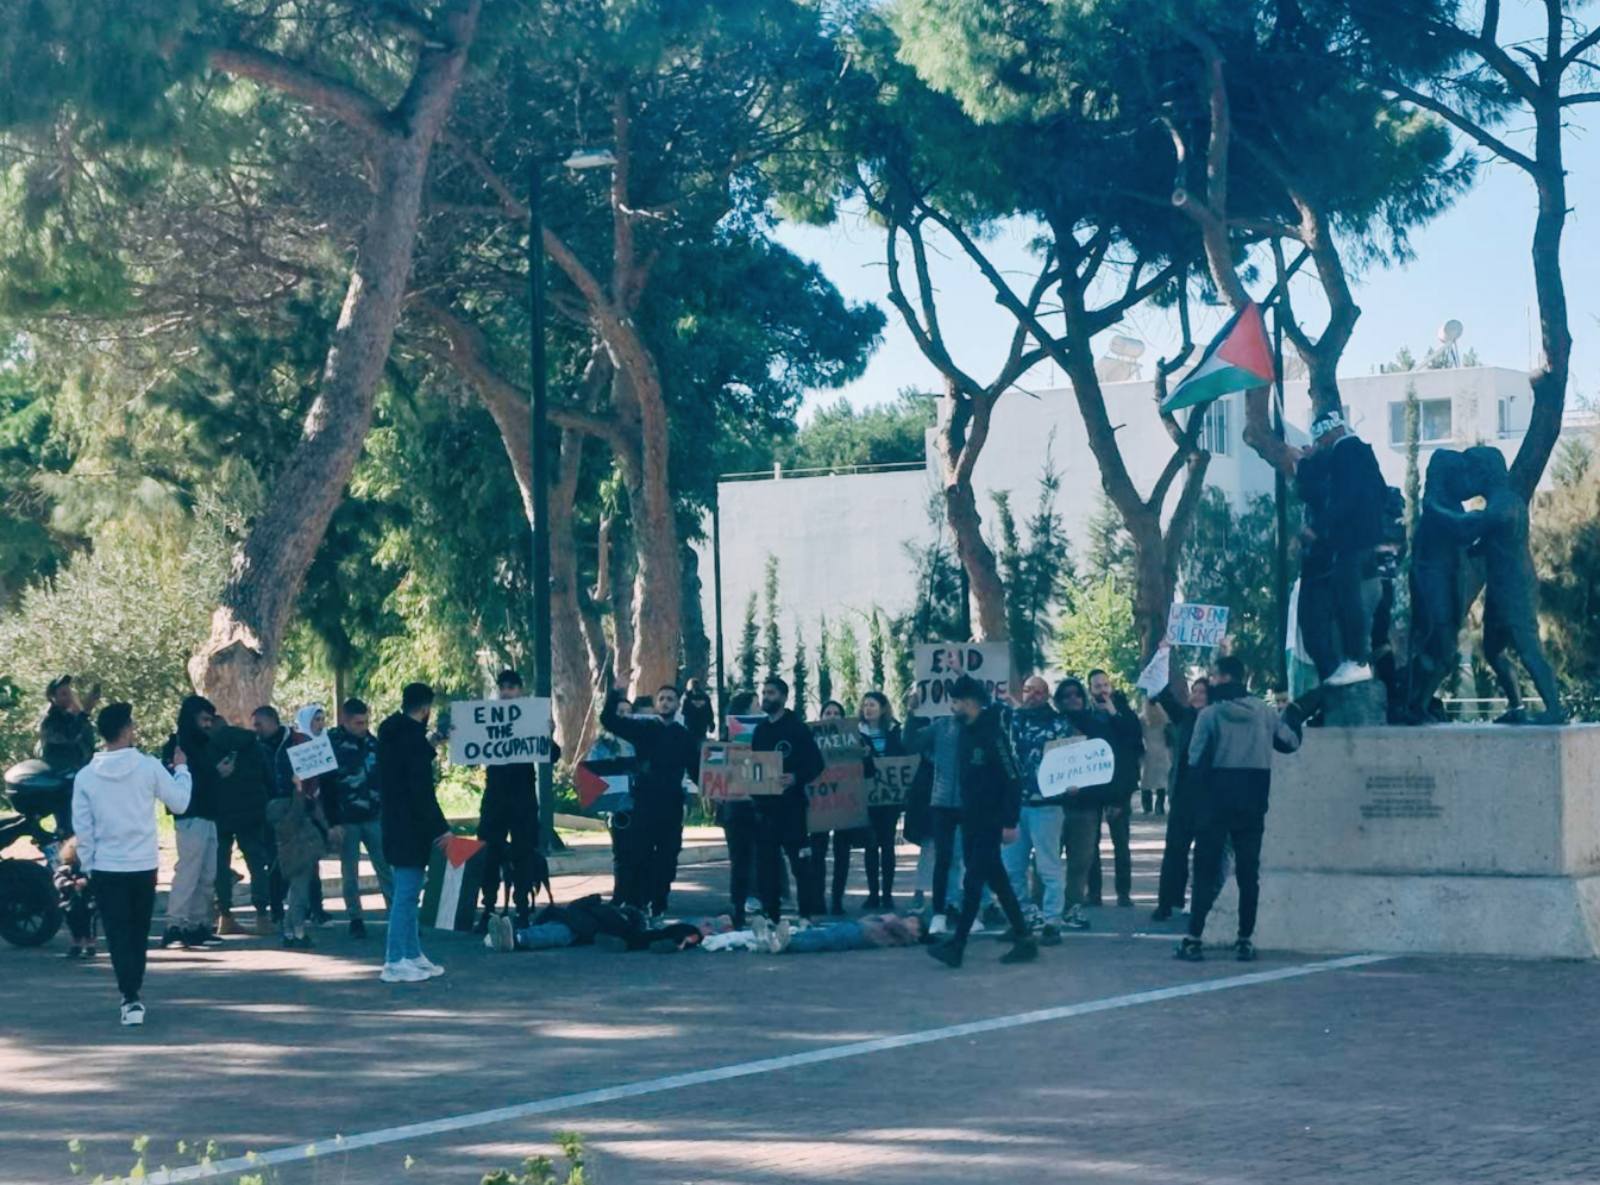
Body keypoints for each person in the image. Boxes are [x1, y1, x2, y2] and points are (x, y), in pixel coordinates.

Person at [71, 702, 193, 1026]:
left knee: (117, 933)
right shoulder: (148, 767)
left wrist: (87, 866)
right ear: (126, 729)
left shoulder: (86, 777)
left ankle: (129, 993)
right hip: (142, 863)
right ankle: (133, 990)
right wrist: (182, 770)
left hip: (106, 865)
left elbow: (83, 828)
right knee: (139, 931)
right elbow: (180, 802)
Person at [1177, 655, 1304, 963]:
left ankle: (1194, 938)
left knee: (1205, 870)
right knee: (1248, 873)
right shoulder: (1264, 712)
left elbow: (1194, 759)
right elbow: (1289, 743)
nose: (1210, 680)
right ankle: (1245, 939)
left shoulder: (1209, 715)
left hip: (1215, 802)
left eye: (1213, 676)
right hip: (1252, 801)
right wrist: (1295, 715)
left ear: (1222, 678)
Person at [927, 677, 1036, 969]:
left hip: (991, 820)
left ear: (970, 703)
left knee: (973, 880)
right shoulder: (966, 732)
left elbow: (1013, 779)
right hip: (971, 819)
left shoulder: (993, 734)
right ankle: (1024, 936)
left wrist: (1010, 821)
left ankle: (958, 945)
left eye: (957, 702)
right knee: (997, 879)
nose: (953, 707)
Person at [1295, 409, 1390, 687]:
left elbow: (1345, 498)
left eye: (1322, 440)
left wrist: (1319, 527)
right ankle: (1357, 658)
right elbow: (1379, 491)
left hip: (1350, 539)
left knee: (1348, 597)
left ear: (1330, 433)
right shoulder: (1362, 452)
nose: (1321, 445)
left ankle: (1356, 659)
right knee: (1353, 596)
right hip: (1368, 537)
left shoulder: (1344, 453)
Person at [600, 683, 700, 918]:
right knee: (639, 855)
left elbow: (697, 770)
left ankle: (659, 903)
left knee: (668, 857)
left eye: (670, 699)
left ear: (677, 705)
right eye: (661, 698)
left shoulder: (685, 737)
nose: (665, 702)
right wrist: (616, 692)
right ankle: (639, 904)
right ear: (656, 704)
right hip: (644, 802)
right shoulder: (643, 728)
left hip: (672, 804)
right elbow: (609, 721)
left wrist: (717, 790)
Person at [377, 682, 452, 983]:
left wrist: (430, 743)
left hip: (394, 823)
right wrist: (441, 828)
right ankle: (394, 960)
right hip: (412, 827)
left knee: (408, 895)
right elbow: (421, 791)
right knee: (406, 896)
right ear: (425, 708)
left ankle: (412, 953)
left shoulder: (391, 733)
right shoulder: (411, 739)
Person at [998, 675, 1073, 945]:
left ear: (1046, 695)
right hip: (1014, 806)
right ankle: (1020, 920)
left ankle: (1052, 922)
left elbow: (1071, 762)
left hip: (1047, 807)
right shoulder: (1012, 720)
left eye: (1037, 691)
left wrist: (1073, 783)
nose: (1031, 695)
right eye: (1027, 690)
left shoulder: (1060, 725)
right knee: (1012, 868)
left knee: (1048, 868)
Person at [751, 676, 825, 922]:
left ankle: (805, 914)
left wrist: (795, 777)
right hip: (765, 809)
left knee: (800, 862)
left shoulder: (797, 728)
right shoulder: (760, 731)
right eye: (764, 692)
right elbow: (754, 766)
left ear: (783, 697)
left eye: (771, 693)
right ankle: (771, 915)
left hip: (792, 808)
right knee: (767, 865)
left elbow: (816, 764)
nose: (766, 697)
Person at [159, 695, 227, 949]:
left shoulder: (205, 745)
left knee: (207, 874)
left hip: (209, 814)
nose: (208, 725)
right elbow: (180, 780)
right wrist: (215, 773)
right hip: (189, 815)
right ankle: (175, 926)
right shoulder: (178, 746)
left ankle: (198, 925)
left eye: (210, 720)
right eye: (204, 720)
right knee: (189, 872)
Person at [476, 670, 541, 932]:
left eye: (511, 687)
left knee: (524, 855)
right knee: (489, 855)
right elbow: (470, 750)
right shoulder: (486, 719)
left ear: (520, 690)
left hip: (523, 800)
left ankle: (522, 909)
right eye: (502, 687)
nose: (506, 692)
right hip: (495, 799)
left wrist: (547, 734)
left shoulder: (533, 718)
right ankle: (489, 910)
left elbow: (552, 754)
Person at [270, 704, 338, 948]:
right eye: (316, 719)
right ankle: (296, 930)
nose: (320, 724)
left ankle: (291, 929)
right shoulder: (297, 745)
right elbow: (297, 787)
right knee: (300, 874)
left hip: (302, 814)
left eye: (322, 719)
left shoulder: (309, 745)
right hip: (293, 814)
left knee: (302, 874)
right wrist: (299, 792)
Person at [326, 698, 392, 938]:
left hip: (374, 815)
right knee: (350, 871)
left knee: (385, 866)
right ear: (345, 720)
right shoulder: (331, 745)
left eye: (365, 722)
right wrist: (333, 822)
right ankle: (355, 918)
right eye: (358, 723)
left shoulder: (373, 743)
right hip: (347, 818)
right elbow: (326, 786)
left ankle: (396, 915)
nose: (363, 727)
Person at [210, 706, 275, 936]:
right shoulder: (252, 745)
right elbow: (268, 777)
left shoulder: (209, 747)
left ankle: (225, 916)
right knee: (257, 864)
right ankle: (262, 916)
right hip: (251, 812)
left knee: (220, 864)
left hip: (220, 813)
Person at [1152, 665, 1209, 922]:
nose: (1197, 696)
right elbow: (1166, 699)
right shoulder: (1185, 718)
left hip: (1208, 796)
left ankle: (1201, 901)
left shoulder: (1217, 719)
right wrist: (1162, 657)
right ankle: (1167, 902)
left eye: (1202, 692)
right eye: (1194, 691)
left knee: (1205, 854)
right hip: (1183, 795)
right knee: (1175, 851)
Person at [1083, 670, 1143, 909]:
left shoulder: (1124, 713)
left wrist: (1114, 714)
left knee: (1121, 844)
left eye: (1105, 685)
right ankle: (1094, 893)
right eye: (1097, 686)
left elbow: (1134, 744)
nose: (1102, 690)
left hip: (1119, 790)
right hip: (1092, 790)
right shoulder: (1086, 715)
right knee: (1091, 844)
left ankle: (1123, 893)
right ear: (1090, 690)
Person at [905, 707, 965, 935]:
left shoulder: (971, 725)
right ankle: (940, 910)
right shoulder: (938, 727)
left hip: (964, 800)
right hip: (938, 800)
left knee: (958, 855)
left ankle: (954, 904)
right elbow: (911, 743)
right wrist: (911, 714)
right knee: (940, 855)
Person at [1051, 678, 1099, 932]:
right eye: (1066, 695)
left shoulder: (1096, 724)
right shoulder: (1051, 725)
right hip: (1055, 805)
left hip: (1086, 805)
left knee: (1081, 861)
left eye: (1077, 694)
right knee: (1048, 861)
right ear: (1058, 701)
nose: (1072, 699)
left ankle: (1073, 906)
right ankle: (1044, 908)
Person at [809, 699, 860, 916]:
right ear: (821, 717)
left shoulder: (854, 738)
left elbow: (867, 771)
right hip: (819, 805)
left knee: (842, 855)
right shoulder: (809, 739)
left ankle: (837, 900)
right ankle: (817, 899)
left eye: (836, 713)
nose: (831, 716)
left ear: (842, 717)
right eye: (827, 713)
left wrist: (864, 755)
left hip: (843, 805)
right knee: (817, 854)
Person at [857, 692, 905, 911]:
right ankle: (873, 894)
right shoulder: (857, 733)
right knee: (870, 845)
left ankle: (887, 894)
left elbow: (900, 756)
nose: (868, 709)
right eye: (865, 705)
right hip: (867, 796)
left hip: (889, 797)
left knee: (887, 845)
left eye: (872, 705)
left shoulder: (894, 731)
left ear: (883, 708)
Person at [717, 689, 760, 927]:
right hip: (736, 807)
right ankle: (738, 904)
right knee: (740, 858)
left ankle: (763, 901)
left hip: (760, 804)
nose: (760, 709)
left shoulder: (766, 734)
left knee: (762, 856)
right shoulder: (726, 739)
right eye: (756, 706)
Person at [39, 674, 100, 837]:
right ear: (52, 697)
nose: (69, 697)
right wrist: (85, 712)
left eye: (69, 692)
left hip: (77, 775)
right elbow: (69, 736)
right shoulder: (50, 720)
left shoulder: (70, 716)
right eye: (63, 694)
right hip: (62, 779)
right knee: (67, 824)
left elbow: (86, 739)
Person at [252, 706, 293, 928]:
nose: (256, 729)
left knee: (304, 859)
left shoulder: (295, 741)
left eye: (259, 724)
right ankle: (276, 908)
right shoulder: (256, 747)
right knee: (273, 860)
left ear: (272, 721)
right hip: (269, 811)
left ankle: (313, 908)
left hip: (295, 808)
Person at [54, 835, 95, 959]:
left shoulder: (91, 869)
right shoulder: (66, 868)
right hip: (70, 902)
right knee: (73, 923)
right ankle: (76, 943)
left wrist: (87, 882)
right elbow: (58, 880)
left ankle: (89, 944)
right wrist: (70, 884)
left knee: (89, 923)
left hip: (88, 901)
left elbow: (98, 881)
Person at [1140, 694, 1171, 816]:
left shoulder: (1142, 718)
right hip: (1163, 750)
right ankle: (1160, 806)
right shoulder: (1165, 717)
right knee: (1161, 780)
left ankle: (1147, 806)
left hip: (1148, 750)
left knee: (1146, 780)